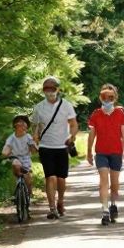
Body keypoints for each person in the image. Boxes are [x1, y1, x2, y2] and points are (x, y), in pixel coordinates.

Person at [31, 76, 78, 220]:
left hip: (62, 146)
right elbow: (35, 127)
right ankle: (52, 208)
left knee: (61, 178)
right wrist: (35, 140)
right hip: (46, 146)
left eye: (52, 88)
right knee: (50, 177)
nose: (49, 91)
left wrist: (72, 136)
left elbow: (73, 124)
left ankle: (60, 201)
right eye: (46, 89)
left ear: (58, 89)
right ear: (43, 90)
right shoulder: (39, 107)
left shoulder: (66, 105)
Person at [86, 83, 124, 225]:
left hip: (116, 152)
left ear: (115, 98)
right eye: (104, 97)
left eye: (111, 97)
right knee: (103, 180)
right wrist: (88, 152)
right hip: (101, 152)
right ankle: (105, 210)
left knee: (114, 183)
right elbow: (91, 135)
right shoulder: (96, 114)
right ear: (100, 98)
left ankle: (113, 204)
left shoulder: (120, 113)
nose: (107, 100)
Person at [2, 116, 38, 195]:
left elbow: (34, 151)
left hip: (26, 158)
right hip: (15, 157)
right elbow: (6, 149)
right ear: (15, 125)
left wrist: (33, 144)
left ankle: (29, 191)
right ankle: (19, 182)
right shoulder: (11, 138)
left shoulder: (28, 137)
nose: (22, 124)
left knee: (28, 180)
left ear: (26, 127)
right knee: (16, 164)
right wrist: (6, 152)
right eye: (20, 122)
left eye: (24, 123)